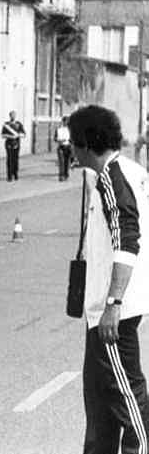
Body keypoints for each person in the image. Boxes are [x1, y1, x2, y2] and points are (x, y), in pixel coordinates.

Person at [68, 105, 149, 454]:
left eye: (73, 141)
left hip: (112, 313)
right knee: (101, 409)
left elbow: (127, 239)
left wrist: (114, 305)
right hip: (101, 312)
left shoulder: (112, 178)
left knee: (129, 402)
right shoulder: (129, 171)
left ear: (87, 143)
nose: (70, 148)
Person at [1, 110, 26, 181]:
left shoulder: (19, 124)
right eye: (11, 115)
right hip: (8, 143)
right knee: (9, 159)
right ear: (10, 116)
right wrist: (10, 136)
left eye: (14, 115)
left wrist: (17, 135)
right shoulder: (6, 124)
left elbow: (24, 134)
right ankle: (9, 176)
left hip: (16, 144)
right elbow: (3, 135)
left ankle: (15, 173)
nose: (13, 116)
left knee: (15, 159)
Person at [54, 116, 71, 181]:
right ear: (63, 121)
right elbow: (55, 138)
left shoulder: (70, 129)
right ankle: (61, 175)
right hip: (61, 147)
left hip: (68, 147)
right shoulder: (58, 129)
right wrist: (59, 140)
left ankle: (66, 174)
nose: (66, 123)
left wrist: (69, 140)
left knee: (67, 162)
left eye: (67, 121)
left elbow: (73, 138)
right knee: (61, 162)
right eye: (65, 121)